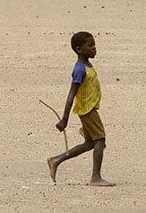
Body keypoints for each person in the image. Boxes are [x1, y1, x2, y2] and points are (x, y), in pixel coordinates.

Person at [47, 31, 115, 186]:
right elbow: (71, 94)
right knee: (100, 140)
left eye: (94, 45)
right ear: (79, 49)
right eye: (90, 46)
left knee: (90, 143)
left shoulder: (87, 65)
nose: (94, 48)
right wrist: (64, 119)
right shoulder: (79, 69)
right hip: (87, 110)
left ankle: (56, 160)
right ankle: (95, 178)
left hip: (89, 109)